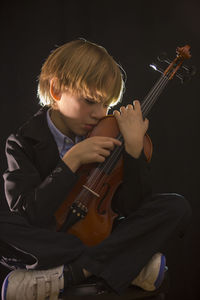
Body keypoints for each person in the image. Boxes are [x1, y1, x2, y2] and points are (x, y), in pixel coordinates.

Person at [0, 39, 191, 300]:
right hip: (49, 237)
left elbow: (131, 207)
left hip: (100, 232)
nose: (100, 114)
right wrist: (71, 161)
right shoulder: (21, 142)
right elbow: (28, 213)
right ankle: (123, 261)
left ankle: (73, 272)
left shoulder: (109, 132)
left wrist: (133, 151)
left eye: (106, 105)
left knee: (175, 207)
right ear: (56, 90)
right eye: (90, 101)